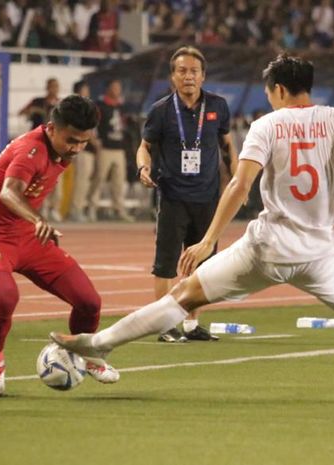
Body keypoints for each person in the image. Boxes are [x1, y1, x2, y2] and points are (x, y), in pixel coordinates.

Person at [49, 54, 334, 386]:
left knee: (183, 296)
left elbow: (240, 184)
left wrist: (209, 240)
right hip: (320, 254)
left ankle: (99, 345)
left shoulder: (267, 125)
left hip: (269, 249)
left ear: (280, 91)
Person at [0, 95, 119, 397]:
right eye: (71, 140)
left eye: (84, 142)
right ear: (51, 128)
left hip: (30, 237)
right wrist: (38, 219)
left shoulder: (62, 150)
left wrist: (34, 225)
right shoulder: (30, 150)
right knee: (5, 298)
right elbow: (9, 193)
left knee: (89, 302)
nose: (76, 148)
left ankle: (86, 353)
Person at [136, 46, 239, 342]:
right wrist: (143, 168)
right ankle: (164, 325)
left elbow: (228, 144)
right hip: (172, 196)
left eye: (194, 71)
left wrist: (236, 178)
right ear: (173, 77)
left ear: (203, 76)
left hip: (208, 199)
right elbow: (144, 146)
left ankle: (192, 326)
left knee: (203, 267)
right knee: (166, 263)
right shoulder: (161, 110)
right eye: (182, 71)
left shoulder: (218, 106)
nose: (188, 76)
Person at [89, 79, 134, 222]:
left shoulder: (121, 107)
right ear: (108, 89)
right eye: (114, 87)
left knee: (119, 181)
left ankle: (119, 208)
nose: (117, 90)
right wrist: (95, 141)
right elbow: (92, 124)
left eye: (119, 87)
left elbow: (125, 126)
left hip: (119, 148)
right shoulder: (101, 105)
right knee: (99, 178)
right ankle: (92, 207)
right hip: (105, 147)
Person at [19, 78, 63, 222]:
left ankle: (54, 208)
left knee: (55, 177)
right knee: (37, 176)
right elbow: (22, 113)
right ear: (47, 87)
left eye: (56, 86)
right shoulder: (38, 101)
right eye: (51, 86)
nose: (53, 89)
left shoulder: (62, 104)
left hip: (56, 146)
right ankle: (38, 207)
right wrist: (33, 110)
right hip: (38, 144)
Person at [68, 80, 99, 222]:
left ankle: (81, 208)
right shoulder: (75, 109)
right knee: (81, 179)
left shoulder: (89, 107)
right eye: (84, 90)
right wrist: (94, 140)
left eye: (87, 90)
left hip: (90, 149)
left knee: (86, 180)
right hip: (81, 148)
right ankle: (76, 209)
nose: (87, 93)